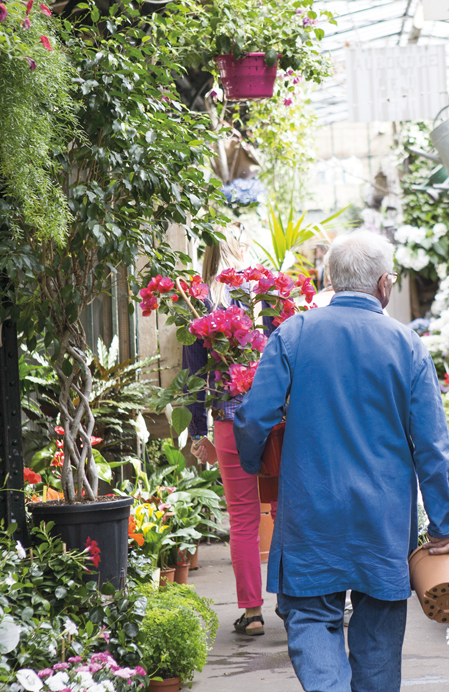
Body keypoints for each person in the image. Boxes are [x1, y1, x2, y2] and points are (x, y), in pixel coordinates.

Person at [233, 229, 449, 692]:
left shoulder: (294, 333)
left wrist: (257, 463)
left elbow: (254, 416)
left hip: (310, 513)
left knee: (311, 619)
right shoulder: (408, 345)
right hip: (381, 519)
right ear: (385, 283)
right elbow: (433, 448)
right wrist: (443, 526)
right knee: (378, 632)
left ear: (331, 281)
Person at [184, 227, 272, 637]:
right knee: (286, 510)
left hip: (228, 423)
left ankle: (252, 613)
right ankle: (296, 602)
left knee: (242, 519)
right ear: (241, 251)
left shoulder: (197, 307)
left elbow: (192, 379)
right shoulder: (265, 302)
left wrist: (197, 432)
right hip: (274, 423)